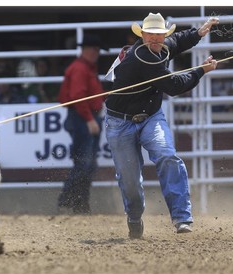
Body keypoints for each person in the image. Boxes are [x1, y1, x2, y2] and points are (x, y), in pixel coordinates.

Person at [104, 13, 219, 238]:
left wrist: (198, 32)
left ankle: (182, 218)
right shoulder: (142, 59)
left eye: (160, 35)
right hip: (120, 122)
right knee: (130, 180)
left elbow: (176, 41)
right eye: (151, 35)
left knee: (167, 155)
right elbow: (174, 86)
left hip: (149, 116)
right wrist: (200, 71)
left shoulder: (160, 47)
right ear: (143, 35)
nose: (156, 40)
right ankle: (134, 217)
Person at [57, 34, 107, 214]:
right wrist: (89, 119)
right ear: (86, 50)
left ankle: (79, 203)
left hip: (83, 117)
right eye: (94, 49)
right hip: (82, 118)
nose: (96, 53)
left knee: (87, 163)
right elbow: (79, 97)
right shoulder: (81, 68)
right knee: (84, 163)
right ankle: (68, 200)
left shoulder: (85, 68)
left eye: (97, 50)